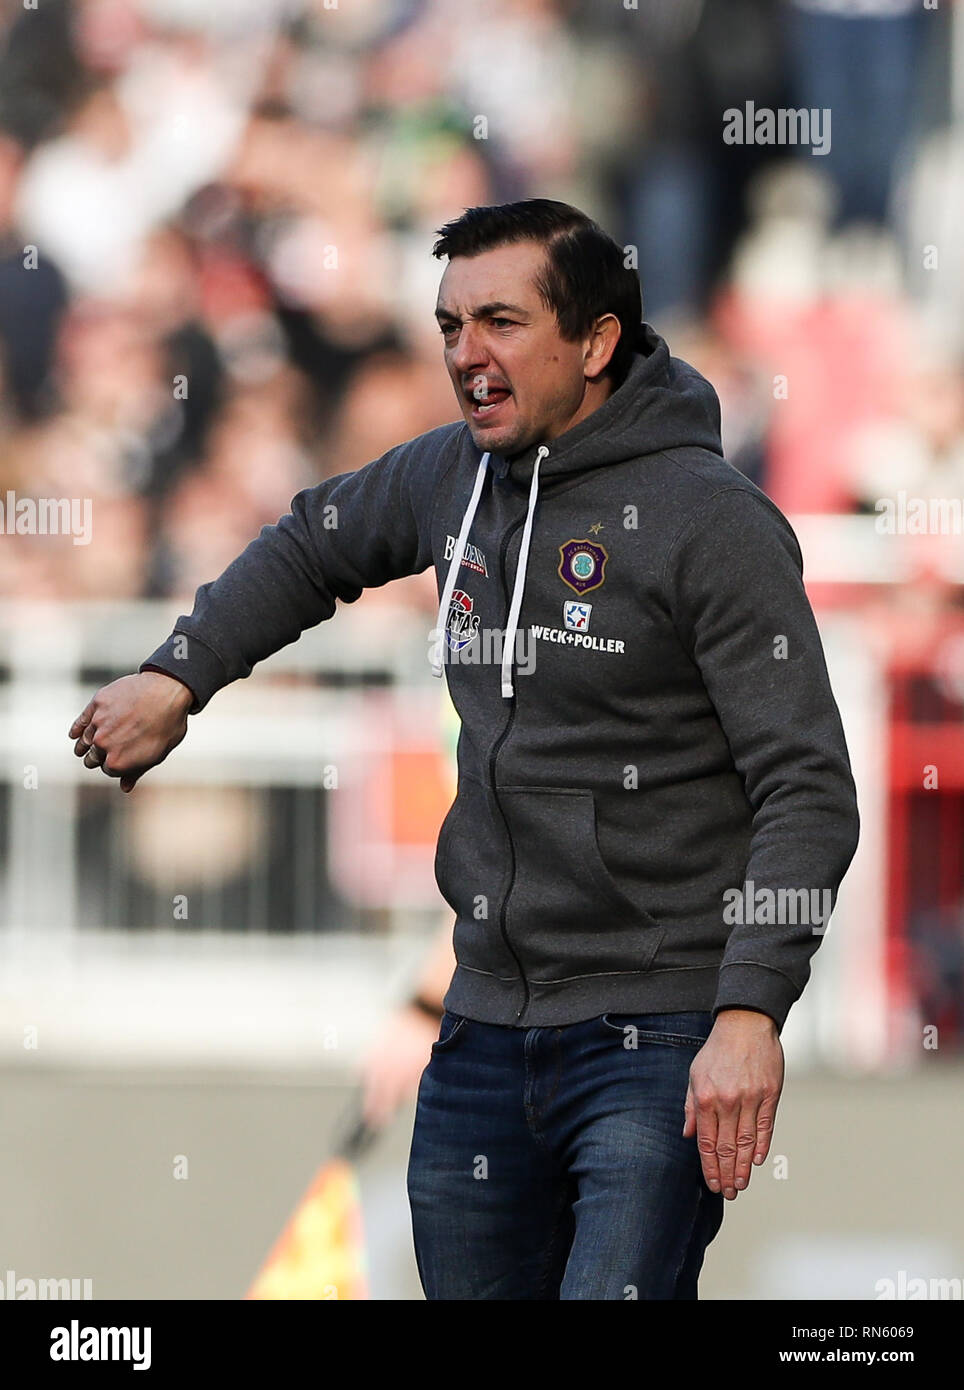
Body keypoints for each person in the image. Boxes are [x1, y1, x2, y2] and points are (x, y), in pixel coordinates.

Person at [68, 199, 860, 1300]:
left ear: (593, 343)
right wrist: (178, 672)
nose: (464, 355)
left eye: (497, 320)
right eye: (448, 326)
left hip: (654, 1033)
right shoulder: (456, 476)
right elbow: (312, 543)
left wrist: (746, 1010)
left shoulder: (711, 521)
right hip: (483, 1032)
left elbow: (808, 788)